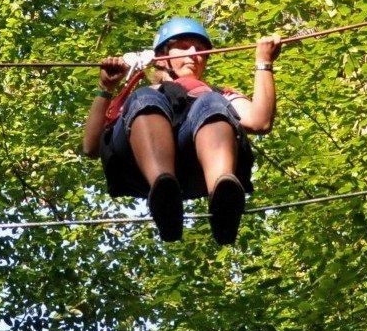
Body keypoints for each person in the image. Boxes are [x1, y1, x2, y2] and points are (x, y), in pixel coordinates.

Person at [82, 17, 283, 245]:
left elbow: (260, 122)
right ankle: (163, 190)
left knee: (211, 102)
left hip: (197, 163)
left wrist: (263, 62)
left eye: (200, 49)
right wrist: (105, 88)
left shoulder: (217, 97)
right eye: (184, 46)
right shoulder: (139, 98)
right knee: (146, 97)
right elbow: (91, 147)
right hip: (139, 166)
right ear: (162, 57)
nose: (194, 53)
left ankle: (223, 193)